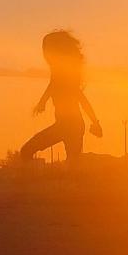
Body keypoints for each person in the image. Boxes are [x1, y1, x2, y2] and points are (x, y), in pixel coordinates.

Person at [21, 30, 102, 162]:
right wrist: (43, 102)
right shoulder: (58, 73)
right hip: (69, 125)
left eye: (46, 49)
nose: (44, 54)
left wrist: (95, 122)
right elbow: (51, 85)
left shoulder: (66, 75)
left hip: (69, 125)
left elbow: (82, 99)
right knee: (73, 163)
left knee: (26, 151)